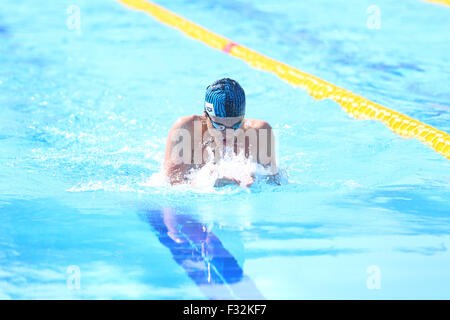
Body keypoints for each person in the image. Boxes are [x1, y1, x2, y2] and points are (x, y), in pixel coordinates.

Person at [163, 78, 278, 186]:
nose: (228, 134)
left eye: (235, 126)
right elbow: (169, 188)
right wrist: (207, 180)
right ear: (205, 116)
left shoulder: (260, 132)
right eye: (220, 126)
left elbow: (275, 184)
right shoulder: (186, 129)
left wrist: (256, 178)